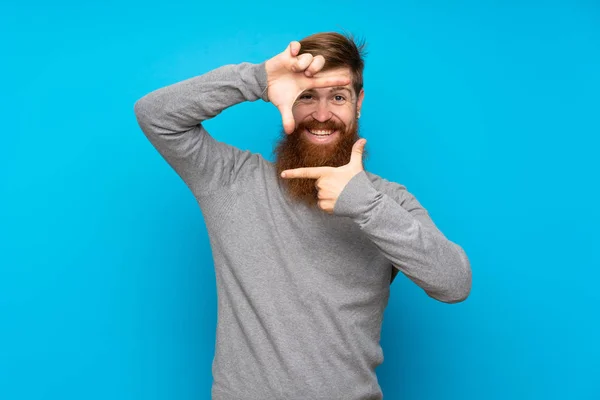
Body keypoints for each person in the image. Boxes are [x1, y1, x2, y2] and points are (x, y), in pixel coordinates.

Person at [134, 31, 471, 400]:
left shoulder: (385, 201)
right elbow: (155, 115)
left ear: (358, 103)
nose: (322, 115)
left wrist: (366, 205)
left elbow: (454, 283)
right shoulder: (231, 180)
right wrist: (258, 78)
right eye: (307, 95)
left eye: (338, 97)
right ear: (287, 97)